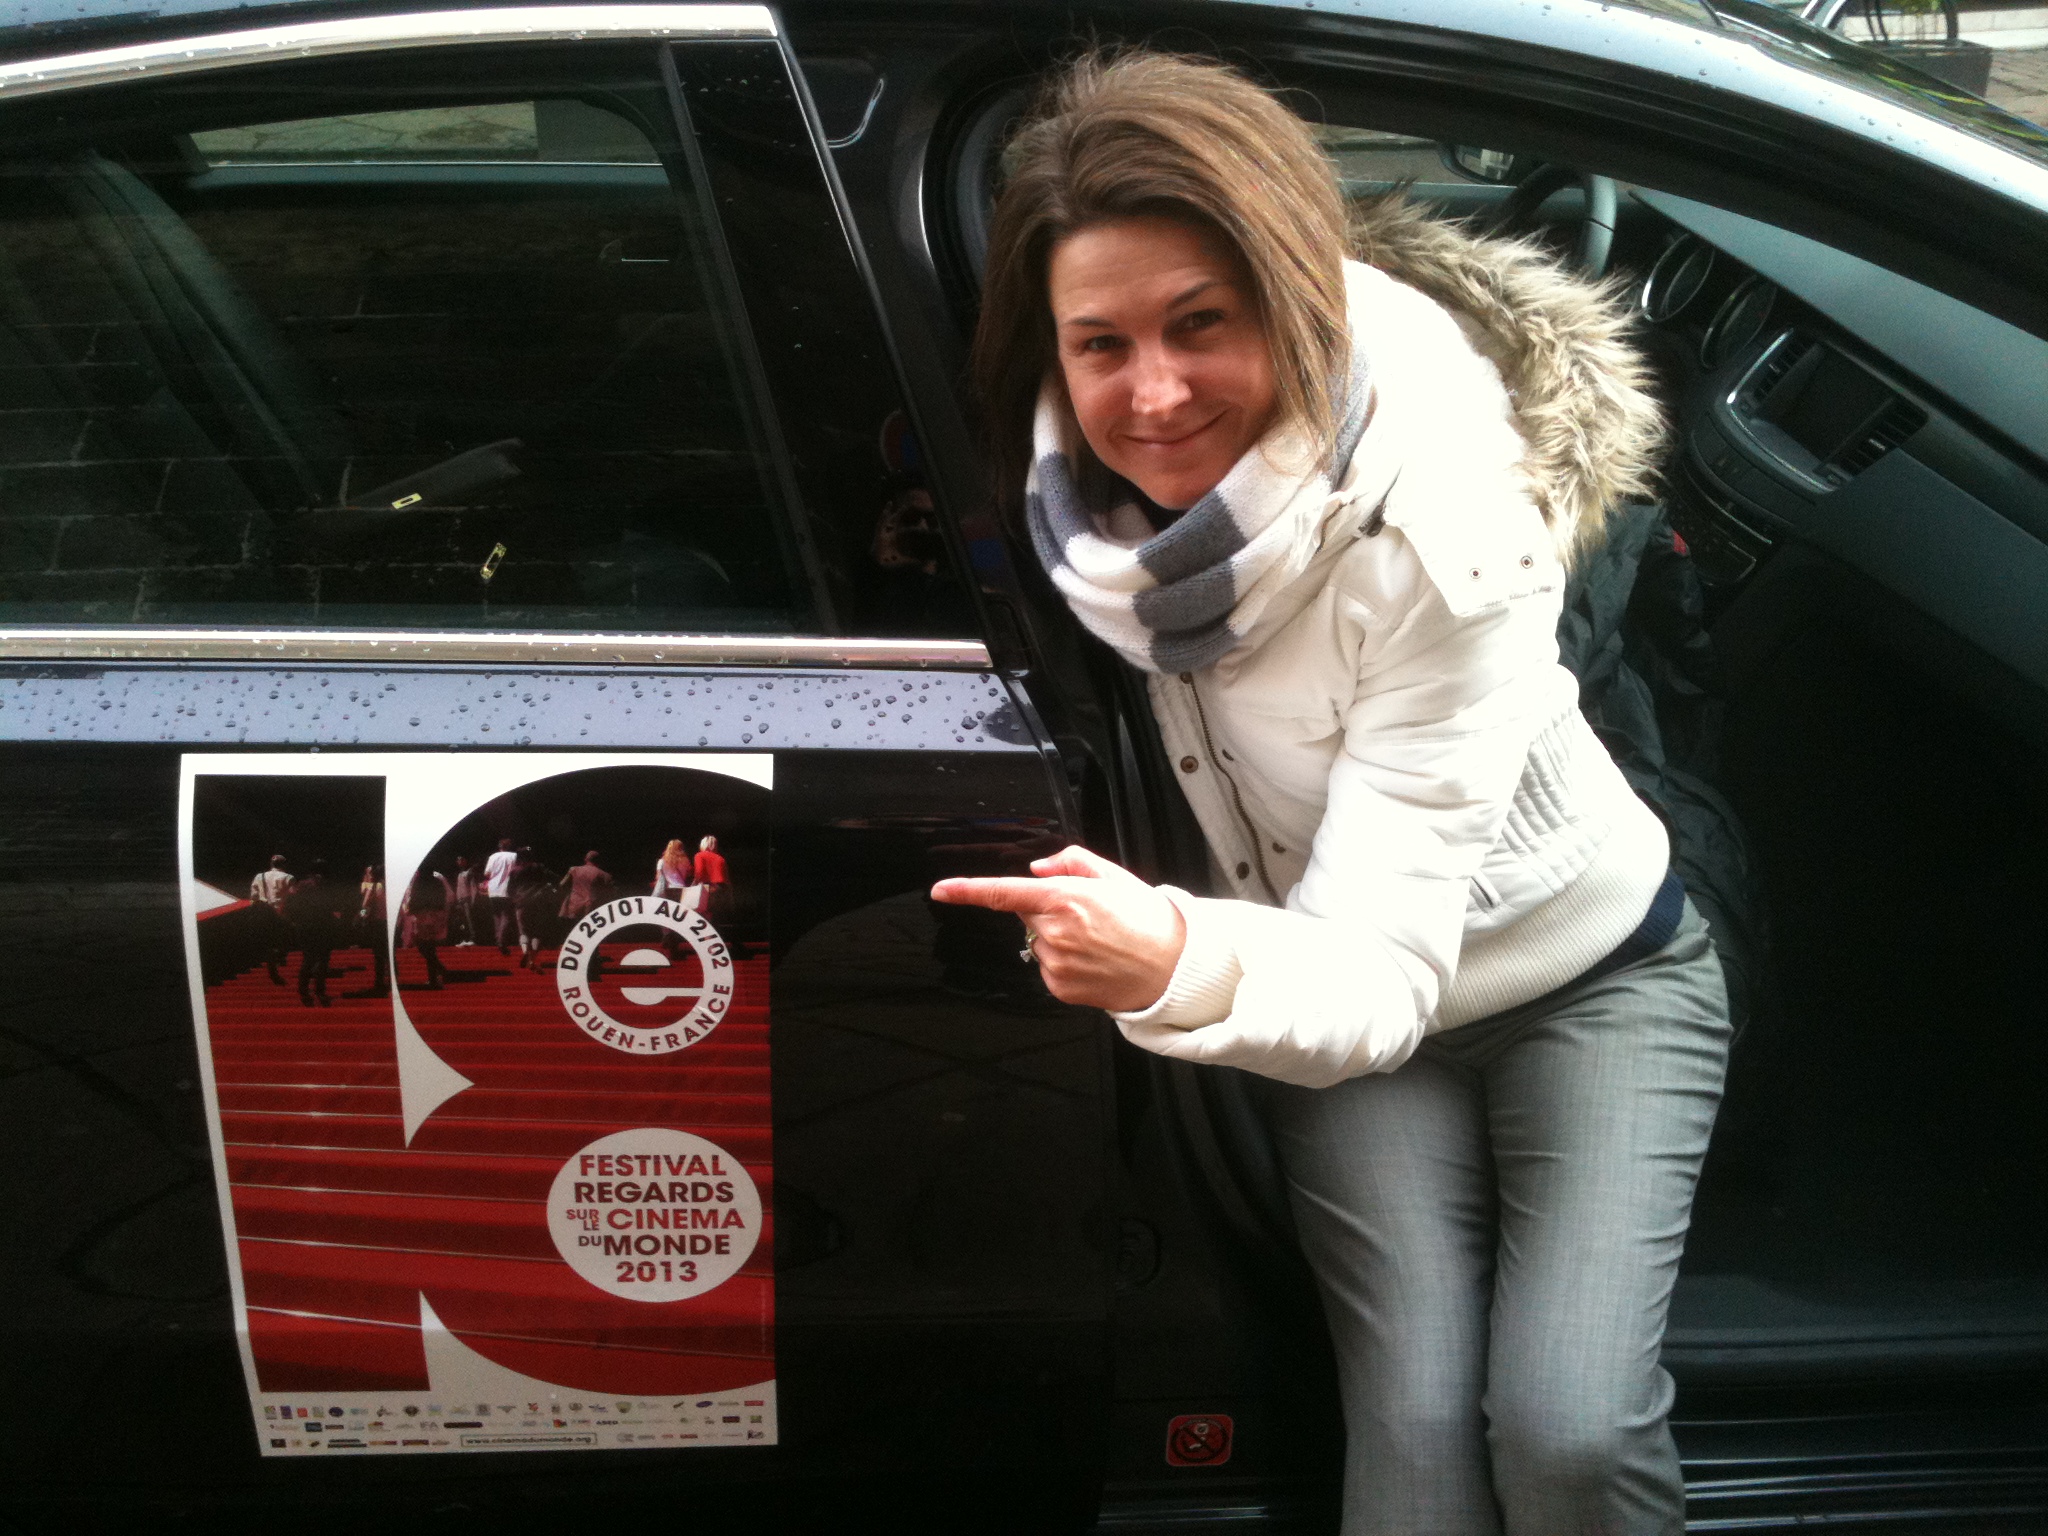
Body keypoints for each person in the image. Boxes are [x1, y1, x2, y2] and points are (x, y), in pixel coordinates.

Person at [931, 53, 1729, 1536]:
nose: (1152, 392)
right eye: (1099, 342)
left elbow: (1381, 969)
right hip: (1357, 1017)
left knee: (1562, 1431)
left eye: (1201, 325)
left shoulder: (1442, 538)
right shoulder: (1063, 500)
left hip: (1585, 979)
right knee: (1415, 1435)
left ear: (1294, 300)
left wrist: (1177, 959)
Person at [284, 860, 345, 1008]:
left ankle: (305, 991)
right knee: (322, 959)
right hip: (320, 926)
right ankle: (318, 991)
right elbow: (330, 905)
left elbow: (291, 904)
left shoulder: (300, 886)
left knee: (309, 959)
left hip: (306, 926)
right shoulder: (322, 885)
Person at [400, 865, 453, 988]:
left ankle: (440, 972)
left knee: (424, 946)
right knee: (430, 947)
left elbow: (415, 897)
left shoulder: (419, 882)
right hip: (435, 915)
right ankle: (434, 977)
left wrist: (412, 910)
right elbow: (443, 897)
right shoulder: (437, 882)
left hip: (423, 915)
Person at [248, 853, 293, 985]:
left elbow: (254, 896)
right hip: (280, 913)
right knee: (285, 937)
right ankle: (281, 956)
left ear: (271, 864)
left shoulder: (259, 876)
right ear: (284, 865)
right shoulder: (289, 878)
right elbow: (292, 897)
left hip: (264, 914)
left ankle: (273, 969)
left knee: (270, 943)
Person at [511, 847, 557, 971]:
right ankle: (532, 959)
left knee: (523, 930)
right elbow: (553, 878)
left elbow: (510, 887)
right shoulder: (539, 867)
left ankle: (525, 951)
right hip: (538, 900)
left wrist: (514, 898)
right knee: (537, 931)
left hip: (521, 901)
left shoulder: (515, 870)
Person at [352, 864, 389, 996]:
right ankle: (390, 979)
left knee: (378, 954)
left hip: (377, 923)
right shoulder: (388, 886)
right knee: (387, 953)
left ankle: (379, 982)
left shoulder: (374, 887)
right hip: (388, 922)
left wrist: (360, 917)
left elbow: (365, 905)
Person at [483, 837, 519, 954]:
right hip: (506, 888)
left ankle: (498, 938)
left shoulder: (493, 856)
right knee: (506, 915)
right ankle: (501, 940)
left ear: (500, 847)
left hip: (493, 888)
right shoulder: (514, 856)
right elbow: (516, 872)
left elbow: (487, 874)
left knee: (496, 915)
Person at [558, 850, 612, 923]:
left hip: (573, 906)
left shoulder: (574, 869)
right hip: (590, 909)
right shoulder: (605, 875)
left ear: (585, 859)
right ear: (599, 861)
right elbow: (608, 894)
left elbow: (561, 884)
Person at [451, 853, 480, 946]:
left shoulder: (469, 872)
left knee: (469, 920)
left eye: (461, 859)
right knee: (462, 921)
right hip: (460, 900)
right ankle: (464, 938)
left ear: (465, 861)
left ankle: (473, 938)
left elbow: (473, 886)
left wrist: (473, 899)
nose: (459, 862)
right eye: (458, 860)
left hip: (467, 899)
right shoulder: (459, 873)